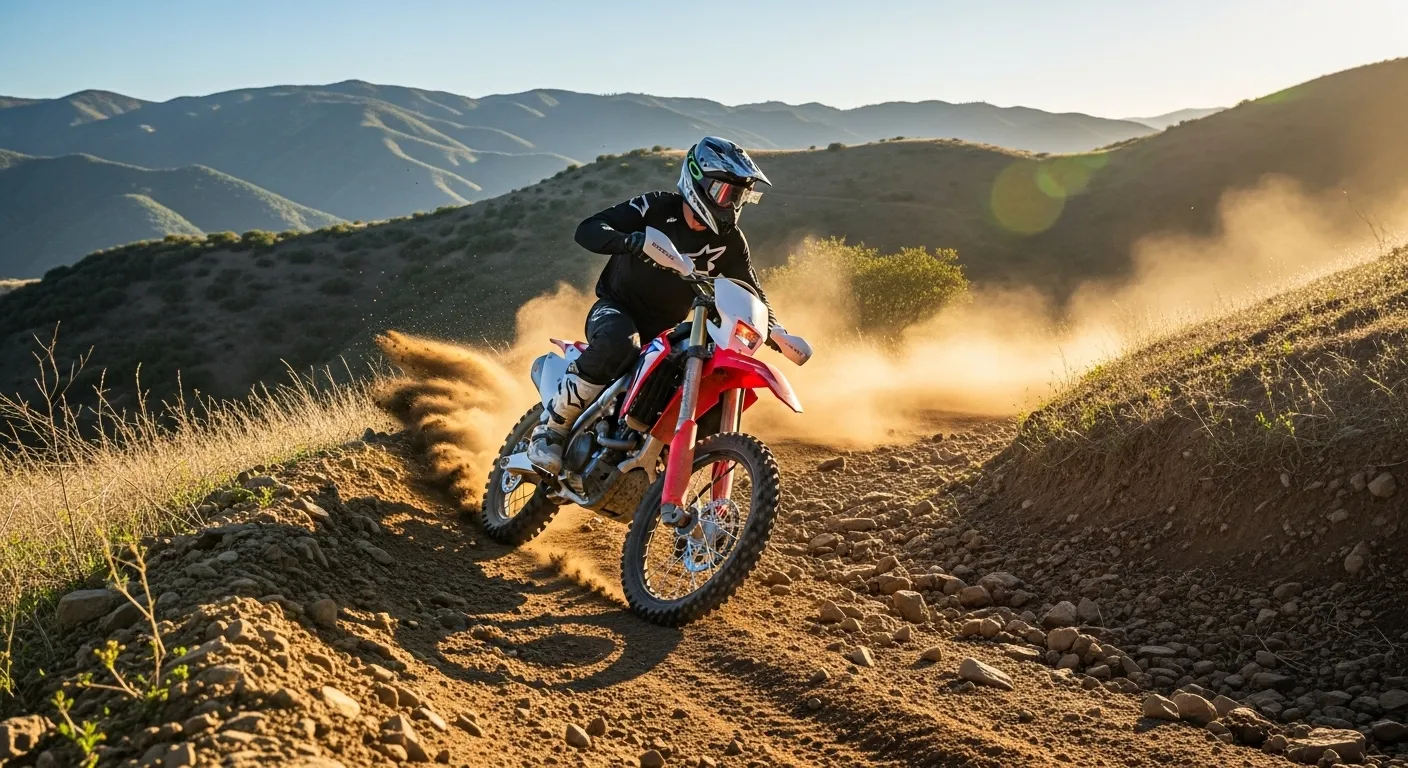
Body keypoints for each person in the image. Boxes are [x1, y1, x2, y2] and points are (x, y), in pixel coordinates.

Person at [527, 136, 777, 473]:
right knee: (619, 343)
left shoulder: (731, 242)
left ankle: (660, 459)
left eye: (738, 196)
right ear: (697, 181)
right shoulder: (657, 208)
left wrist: (774, 329)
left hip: (666, 332)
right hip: (616, 309)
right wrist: (629, 241)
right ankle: (551, 431)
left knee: (712, 373)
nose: (731, 203)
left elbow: (751, 290)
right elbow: (588, 229)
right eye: (724, 192)